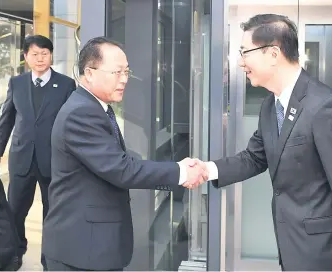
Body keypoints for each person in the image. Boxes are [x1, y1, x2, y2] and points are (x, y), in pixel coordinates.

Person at [193, 14, 332, 271]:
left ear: (273, 53)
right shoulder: (271, 106)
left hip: (329, 255)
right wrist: (207, 169)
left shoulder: (325, 107)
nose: (239, 62)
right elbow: (255, 157)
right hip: (294, 249)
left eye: (244, 52)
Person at [41, 36, 207, 271]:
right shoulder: (81, 113)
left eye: (127, 72)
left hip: (91, 246)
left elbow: (121, 160)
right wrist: (180, 172)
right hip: (81, 251)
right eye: (116, 72)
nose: (124, 80)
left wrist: (176, 171)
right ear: (89, 72)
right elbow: (121, 169)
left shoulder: (95, 108)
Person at [0, 35, 76, 269]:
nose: (40, 58)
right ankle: (14, 254)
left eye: (44, 53)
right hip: (21, 159)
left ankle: (49, 259)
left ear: (51, 56)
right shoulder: (17, 83)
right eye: (34, 54)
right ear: (26, 57)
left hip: (53, 160)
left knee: (53, 213)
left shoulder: (66, 85)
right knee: (14, 212)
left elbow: (72, 123)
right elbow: (6, 121)